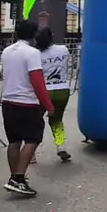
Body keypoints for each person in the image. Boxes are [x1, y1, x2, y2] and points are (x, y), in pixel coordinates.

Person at [0, 20, 55, 196]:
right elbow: (37, 81)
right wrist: (48, 104)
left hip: (8, 100)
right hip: (27, 101)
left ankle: (15, 176)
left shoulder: (7, 51)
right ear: (34, 35)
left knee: (14, 141)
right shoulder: (32, 53)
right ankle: (18, 178)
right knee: (33, 139)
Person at [35, 27, 72, 163]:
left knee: (36, 121)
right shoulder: (63, 49)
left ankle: (31, 152)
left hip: (44, 91)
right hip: (62, 89)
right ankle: (60, 146)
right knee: (57, 120)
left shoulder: (36, 54)